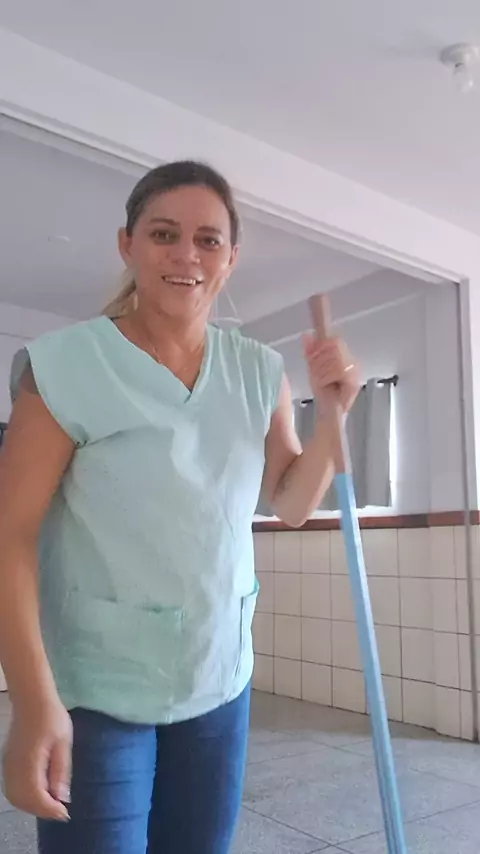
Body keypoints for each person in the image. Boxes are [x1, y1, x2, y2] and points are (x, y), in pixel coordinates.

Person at [0, 160, 360, 854]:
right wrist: (33, 700)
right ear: (127, 245)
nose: (186, 255)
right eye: (164, 234)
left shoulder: (259, 371)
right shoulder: (65, 365)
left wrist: (334, 416)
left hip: (218, 675)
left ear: (231, 258)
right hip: (98, 687)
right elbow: (10, 536)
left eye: (208, 240)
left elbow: (289, 502)